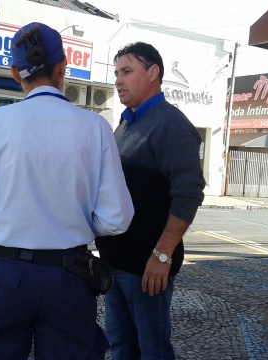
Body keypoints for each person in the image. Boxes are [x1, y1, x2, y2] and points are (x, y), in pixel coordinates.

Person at [0, 22, 134, 360]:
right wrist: (72, 221)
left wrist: (7, 217)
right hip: (68, 275)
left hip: (2, 273)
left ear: (15, 72)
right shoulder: (95, 127)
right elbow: (117, 218)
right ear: (63, 67)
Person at [95, 42, 206, 360]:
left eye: (127, 72)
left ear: (153, 72)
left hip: (146, 268)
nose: (118, 80)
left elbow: (189, 192)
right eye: (117, 73)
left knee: (152, 351)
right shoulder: (126, 123)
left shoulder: (172, 125)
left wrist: (162, 255)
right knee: (121, 347)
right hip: (116, 265)